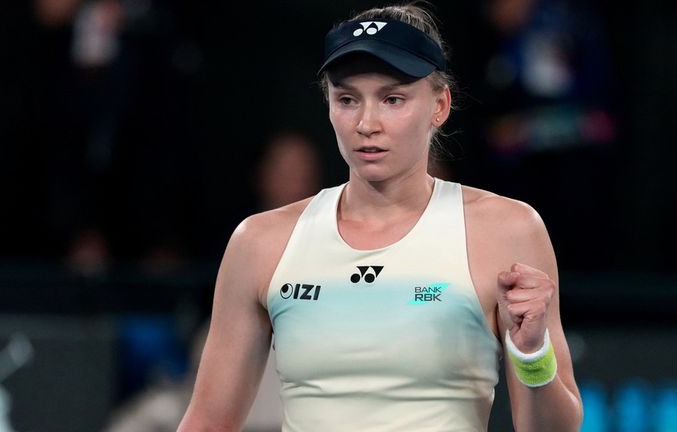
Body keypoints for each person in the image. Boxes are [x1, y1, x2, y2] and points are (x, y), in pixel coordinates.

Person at [178, 3, 582, 431]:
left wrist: (533, 356)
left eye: (392, 99)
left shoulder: (507, 231)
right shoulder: (260, 242)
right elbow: (206, 423)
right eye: (348, 99)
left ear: (439, 106)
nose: (367, 123)